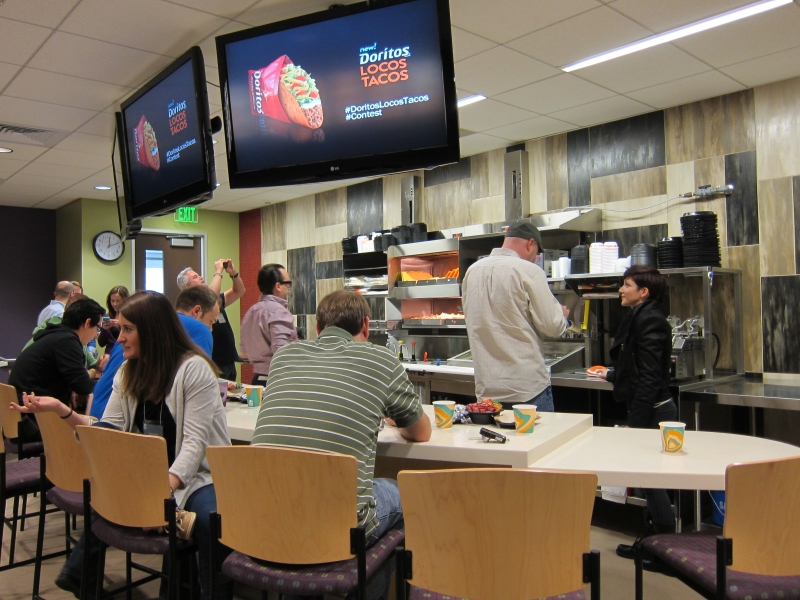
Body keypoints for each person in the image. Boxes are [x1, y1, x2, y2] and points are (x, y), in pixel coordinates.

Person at [11, 291, 233, 600]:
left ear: (153, 331)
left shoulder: (193, 369)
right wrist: (64, 412)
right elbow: (107, 430)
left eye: (128, 329)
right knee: (107, 498)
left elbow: (193, 448)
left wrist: (159, 495)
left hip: (199, 474)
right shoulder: (129, 371)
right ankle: (83, 577)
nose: (119, 338)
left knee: (211, 520)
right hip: (156, 473)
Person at [252, 290, 431, 600]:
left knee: (300, 499)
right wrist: (393, 420)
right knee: (406, 495)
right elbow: (421, 432)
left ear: (318, 328)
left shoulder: (283, 357)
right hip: (338, 527)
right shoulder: (381, 359)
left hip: (263, 519)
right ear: (366, 326)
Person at [593, 265, 676, 563]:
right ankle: (656, 546)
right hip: (648, 408)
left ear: (644, 292)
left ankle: (664, 552)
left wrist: (635, 425)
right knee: (648, 480)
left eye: (626, 284)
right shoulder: (641, 316)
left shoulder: (651, 320)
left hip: (653, 411)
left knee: (652, 481)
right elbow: (637, 364)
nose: (620, 290)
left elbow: (651, 378)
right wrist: (613, 373)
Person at [462, 221, 570, 411]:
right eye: (537, 253)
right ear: (530, 243)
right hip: (527, 389)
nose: (535, 258)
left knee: (496, 440)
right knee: (538, 441)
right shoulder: (529, 271)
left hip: (487, 390)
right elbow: (552, 326)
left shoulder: (472, 271)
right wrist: (562, 317)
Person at [11, 298, 104, 407]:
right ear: (88, 323)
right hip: (34, 413)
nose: (96, 335)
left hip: (22, 409)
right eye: (98, 328)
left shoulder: (54, 334)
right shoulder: (67, 341)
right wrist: (110, 384)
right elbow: (83, 386)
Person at [177, 259, 245, 381]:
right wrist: (218, 271)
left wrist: (233, 274)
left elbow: (239, 291)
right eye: (195, 277)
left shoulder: (216, 300)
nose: (201, 277)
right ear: (186, 286)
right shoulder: (194, 305)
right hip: (213, 361)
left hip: (228, 360)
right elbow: (211, 297)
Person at [23, 293, 107, 377]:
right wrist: (91, 373)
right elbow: (75, 379)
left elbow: (89, 364)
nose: (96, 334)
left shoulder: (76, 334)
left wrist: (98, 365)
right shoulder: (62, 337)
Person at [239, 263, 297, 385]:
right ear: (278, 286)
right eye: (288, 283)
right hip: (277, 380)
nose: (290, 288)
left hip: (258, 379)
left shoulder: (251, 312)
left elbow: (244, 352)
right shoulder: (279, 311)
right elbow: (282, 352)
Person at [175, 286, 221, 359]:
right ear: (197, 311)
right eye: (211, 321)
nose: (211, 329)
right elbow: (201, 368)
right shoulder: (200, 329)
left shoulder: (159, 323)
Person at [98, 285, 129, 352]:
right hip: (109, 354)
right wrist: (104, 329)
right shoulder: (107, 316)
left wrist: (121, 326)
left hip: (123, 353)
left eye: (118, 301)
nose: (115, 304)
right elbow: (101, 343)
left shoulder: (130, 316)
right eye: (112, 301)